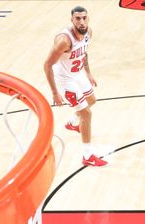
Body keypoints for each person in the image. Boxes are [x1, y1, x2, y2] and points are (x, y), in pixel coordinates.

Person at [44, 6, 108, 167]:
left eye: (84, 18)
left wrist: (88, 73)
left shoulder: (88, 33)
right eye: (77, 18)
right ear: (71, 20)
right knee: (87, 114)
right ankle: (87, 155)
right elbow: (47, 65)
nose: (81, 21)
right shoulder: (64, 41)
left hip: (78, 73)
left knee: (92, 100)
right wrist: (54, 92)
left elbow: (84, 53)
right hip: (65, 79)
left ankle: (72, 123)